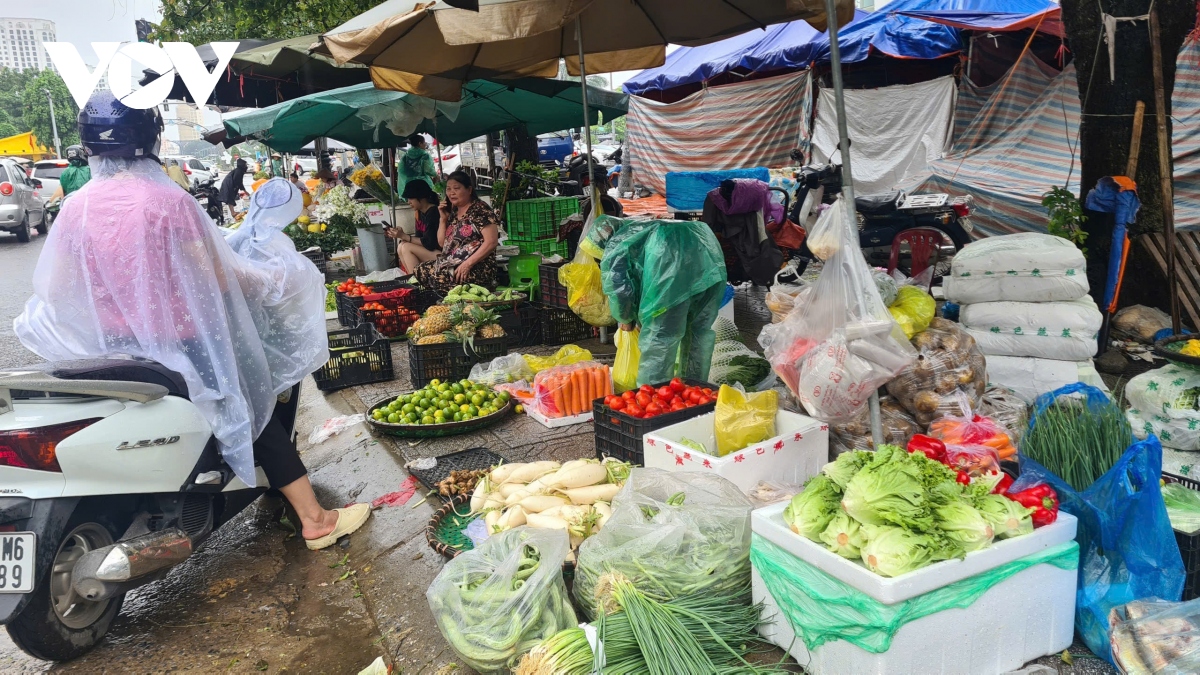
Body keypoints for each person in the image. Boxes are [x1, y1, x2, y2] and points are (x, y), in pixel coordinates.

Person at [14, 91, 369, 550]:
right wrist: (276, 277)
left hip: (109, 351)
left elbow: (58, 288)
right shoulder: (168, 201)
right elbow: (219, 277)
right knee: (253, 408)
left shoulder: (77, 205)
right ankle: (316, 519)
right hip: (185, 348)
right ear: (152, 138)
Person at [591, 215, 727, 385]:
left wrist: (625, 319)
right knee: (698, 334)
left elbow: (621, 290)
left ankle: (654, 397)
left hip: (670, 279)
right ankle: (696, 390)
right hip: (710, 269)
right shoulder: (643, 227)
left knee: (659, 340)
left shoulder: (618, 244)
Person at [414, 170, 500, 294]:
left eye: (456, 188)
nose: (451, 193)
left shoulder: (480, 209)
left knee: (439, 277)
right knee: (420, 270)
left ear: (469, 190)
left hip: (477, 265)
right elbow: (442, 243)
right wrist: (443, 219)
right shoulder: (454, 212)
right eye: (448, 189)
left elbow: (491, 242)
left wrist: (467, 264)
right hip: (453, 262)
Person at [388, 179, 443, 273]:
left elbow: (430, 243)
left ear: (421, 197)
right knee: (401, 245)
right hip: (430, 252)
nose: (408, 202)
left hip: (441, 255)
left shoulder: (434, 213)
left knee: (406, 247)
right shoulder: (419, 213)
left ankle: (416, 280)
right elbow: (418, 238)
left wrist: (404, 236)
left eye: (411, 198)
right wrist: (402, 235)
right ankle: (411, 277)